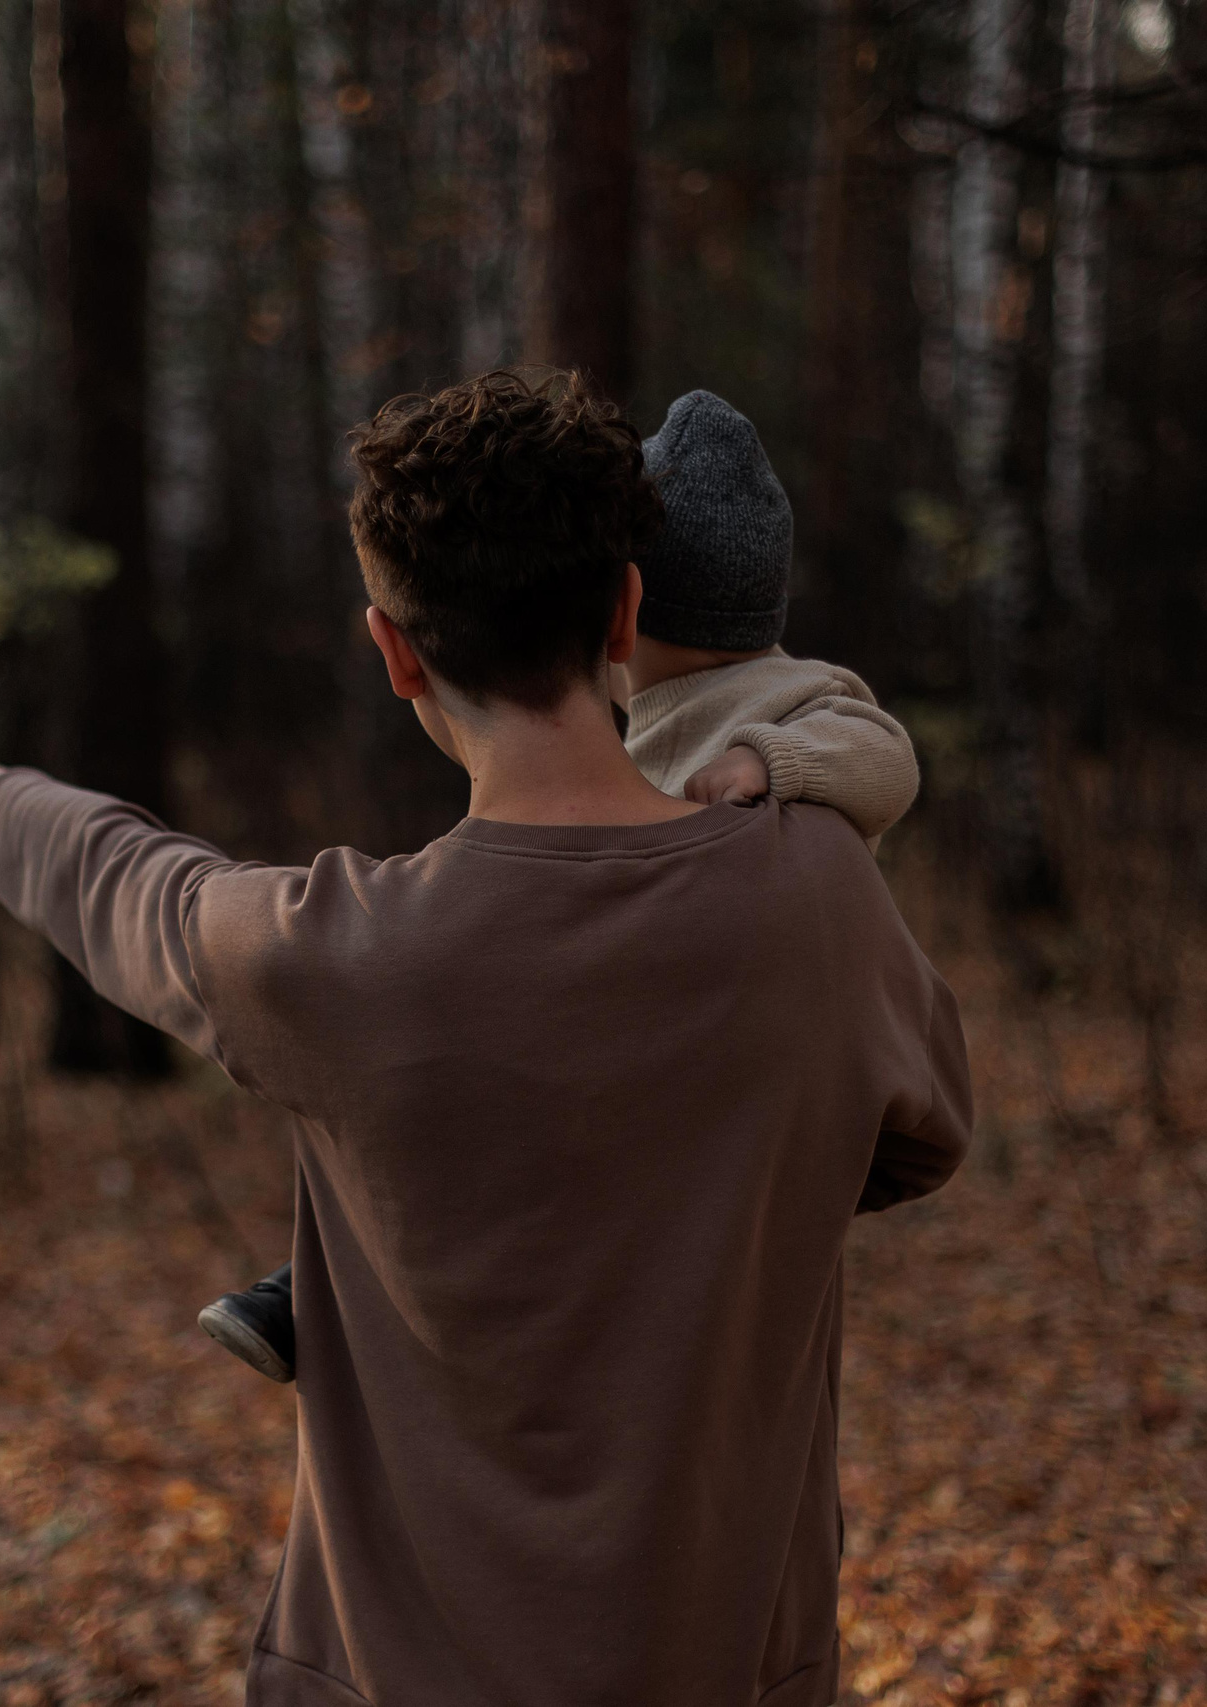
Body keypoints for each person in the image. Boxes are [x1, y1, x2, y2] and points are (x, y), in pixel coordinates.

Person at [0, 368, 972, 1706]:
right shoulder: (816, 897)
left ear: (393, 650)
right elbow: (918, 1139)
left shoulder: (336, 957)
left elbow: (128, 883)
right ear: (624, 611)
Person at [197, 386, 924, 1383]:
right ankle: (311, 1286)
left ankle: (316, 1292)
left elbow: (886, 757)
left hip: (718, 1020)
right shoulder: (651, 715)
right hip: (670, 1014)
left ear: (625, 611)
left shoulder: (789, 699)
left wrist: (771, 763)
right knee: (489, 1145)